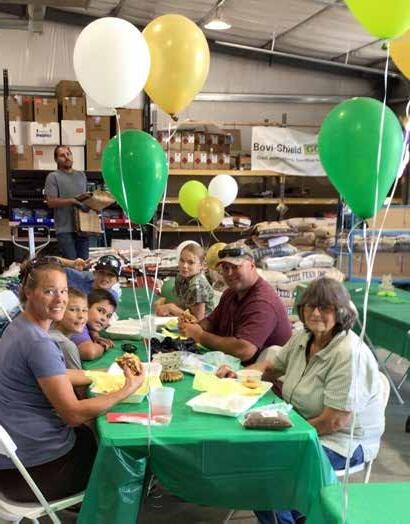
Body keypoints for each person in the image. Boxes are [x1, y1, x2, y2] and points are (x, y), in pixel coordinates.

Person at [217, 278, 385, 524]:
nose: (315, 313)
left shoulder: (349, 354)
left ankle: (290, 516)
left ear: (341, 312)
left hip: (342, 442)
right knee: (249, 455)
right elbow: (272, 368)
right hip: (304, 426)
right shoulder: (304, 339)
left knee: (266, 473)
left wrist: (285, 435)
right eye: (309, 306)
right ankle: (297, 513)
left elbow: (334, 421)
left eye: (324, 307)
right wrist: (239, 375)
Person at [0, 258, 144, 503]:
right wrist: (128, 389)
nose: (60, 299)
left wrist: (100, 375)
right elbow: (73, 414)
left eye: (64, 291)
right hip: (33, 472)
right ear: (28, 292)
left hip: (14, 459)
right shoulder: (39, 344)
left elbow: (52, 374)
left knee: (91, 434)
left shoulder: (18, 327)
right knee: (124, 456)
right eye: (49, 291)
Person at [180, 242, 292, 365]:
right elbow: (211, 322)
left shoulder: (263, 302)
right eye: (225, 268)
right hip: (231, 367)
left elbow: (244, 350)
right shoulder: (230, 293)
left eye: (235, 267)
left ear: (252, 265)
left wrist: (200, 336)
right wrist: (193, 325)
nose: (229, 273)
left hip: (258, 374)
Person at [44, 145, 89, 260]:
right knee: (71, 265)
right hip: (65, 230)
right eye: (62, 155)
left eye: (68, 154)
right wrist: (72, 201)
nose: (67, 157)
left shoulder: (81, 175)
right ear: (56, 159)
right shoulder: (53, 177)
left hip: (83, 228)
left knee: (84, 264)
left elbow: (85, 199)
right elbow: (51, 202)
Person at [154, 243, 214, 321]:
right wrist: (164, 305)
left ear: (202, 265)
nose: (184, 266)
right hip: (186, 320)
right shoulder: (180, 278)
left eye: (191, 262)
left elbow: (199, 321)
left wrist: (171, 308)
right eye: (182, 260)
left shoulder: (198, 287)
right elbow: (182, 305)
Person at [71, 288, 117, 361]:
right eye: (100, 310)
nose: (104, 318)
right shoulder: (78, 323)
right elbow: (89, 352)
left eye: (108, 316)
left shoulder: (87, 324)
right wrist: (103, 346)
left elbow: (91, 329)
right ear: (86, 307)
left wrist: (95, 336)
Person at [50, 288, 89, 369]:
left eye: (84, 310)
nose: (81, 316)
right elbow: (78, 376)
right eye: (73, 310)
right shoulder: (66, 345)